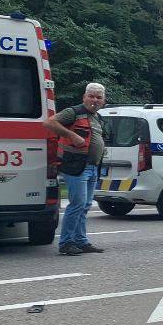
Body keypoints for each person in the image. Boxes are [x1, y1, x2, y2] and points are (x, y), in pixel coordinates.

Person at [45, 83, 108, 255]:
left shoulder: (97, 117)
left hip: (92, 167)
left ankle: (81, 241)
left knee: (85, 205)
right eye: (91, 96)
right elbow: (49, 123)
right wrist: (72, 135)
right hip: (77, 166)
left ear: (103, 100)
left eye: (99, 97)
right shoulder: (73, 112)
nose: (95, 100)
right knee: (77, 204)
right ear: (84, 97)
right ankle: (66, 243)